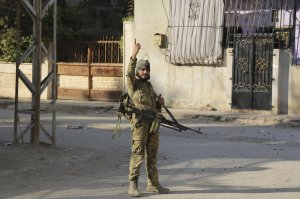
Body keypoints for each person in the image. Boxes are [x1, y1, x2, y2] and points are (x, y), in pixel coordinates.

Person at [126, 39, 170, 197]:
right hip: (140, 125)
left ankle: (153, 184)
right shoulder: (134, 84)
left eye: (147, 70)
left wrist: (159, 104)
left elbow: (153, 107)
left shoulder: (149, 86)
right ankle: (133, 185)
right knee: (138, 154)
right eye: (142, 69)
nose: (145, 72)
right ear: (138, 71)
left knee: (152, 155)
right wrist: (133, 55)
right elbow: (129, 73)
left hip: (152, 125)